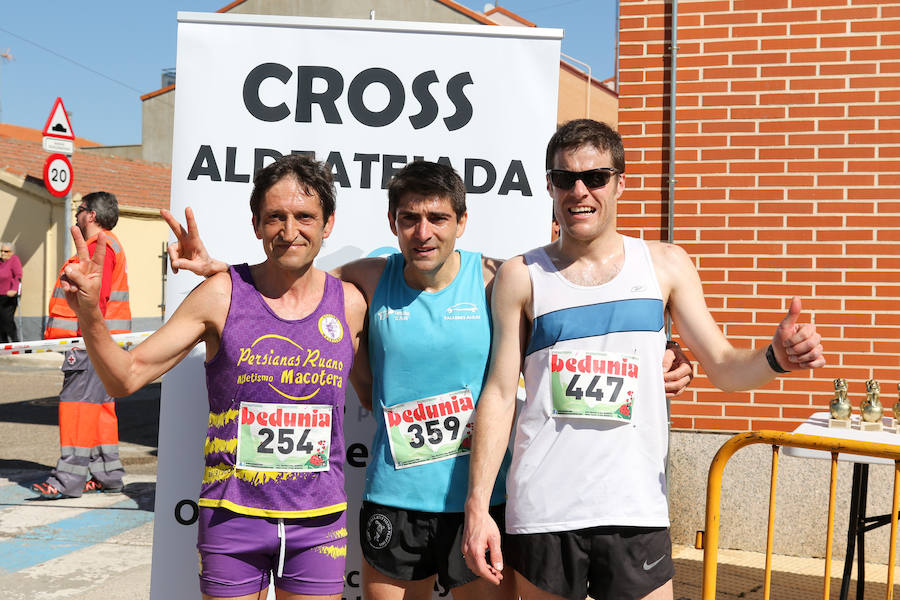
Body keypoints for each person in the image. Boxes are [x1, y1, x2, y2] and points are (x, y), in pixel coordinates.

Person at [163, 159, 694, 600]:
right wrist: (222, 270)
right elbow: (291, 282)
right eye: (410, 218)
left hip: (479, 503)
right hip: (396, 499)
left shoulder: (494, 278)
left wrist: (663, 354)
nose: (424, 231)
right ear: (393, 223)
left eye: (438, 217)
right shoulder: (371, 276)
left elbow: (575, 322)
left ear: (461, 221)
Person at [462, 119, 826, 600]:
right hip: (544, 510)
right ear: (548, 185)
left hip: (636, 509)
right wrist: (478, 505)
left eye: (595, 177)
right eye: (564, 178)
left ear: (619, 183)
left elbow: (722, 364)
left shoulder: (664, 264)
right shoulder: (520, 275)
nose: (579, 191)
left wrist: (775, 358)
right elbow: (501, 393)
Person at [58, 155, 367, 600]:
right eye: (275, 217)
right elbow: (125, 377)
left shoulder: (351, 303)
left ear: (328, 223)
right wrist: (89, 313)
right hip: (233, 517)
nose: (289, 230)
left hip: (319, 521)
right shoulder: (220, 295)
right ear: (256, 224)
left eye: (304, 217)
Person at [31, 192, 131, 499]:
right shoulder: (109, 245)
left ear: (92, 216)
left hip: (88, 343)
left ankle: (66, 480)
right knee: (99, 409)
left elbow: (94, 300)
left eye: (80, 209)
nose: (76, 214)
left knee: (77, 407)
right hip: (103, 344)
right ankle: (108, 474)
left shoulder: (97, 249)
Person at [0, 241, 22, 343]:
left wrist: (14, 289)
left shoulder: (14, 260)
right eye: (1, 251)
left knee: (7, 319)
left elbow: (18, 276)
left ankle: (15, 341)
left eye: (6, 251)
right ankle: (3, 344)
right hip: (0, 295)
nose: (3, 253)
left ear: (12, 252)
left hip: (9, 296)